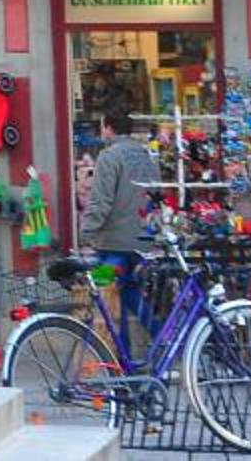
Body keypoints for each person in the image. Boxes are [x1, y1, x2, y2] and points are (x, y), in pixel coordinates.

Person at [78, 104, 162, 351]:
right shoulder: (144, 155)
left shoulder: (109, 156)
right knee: (127, 292)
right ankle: (158, 336)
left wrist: (86, 231)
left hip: (114, 243)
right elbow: (157, 192)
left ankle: (122, 353)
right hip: (142, 240)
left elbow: (101, 201)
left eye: (102, 127)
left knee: (107, 294)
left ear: (109, 128)